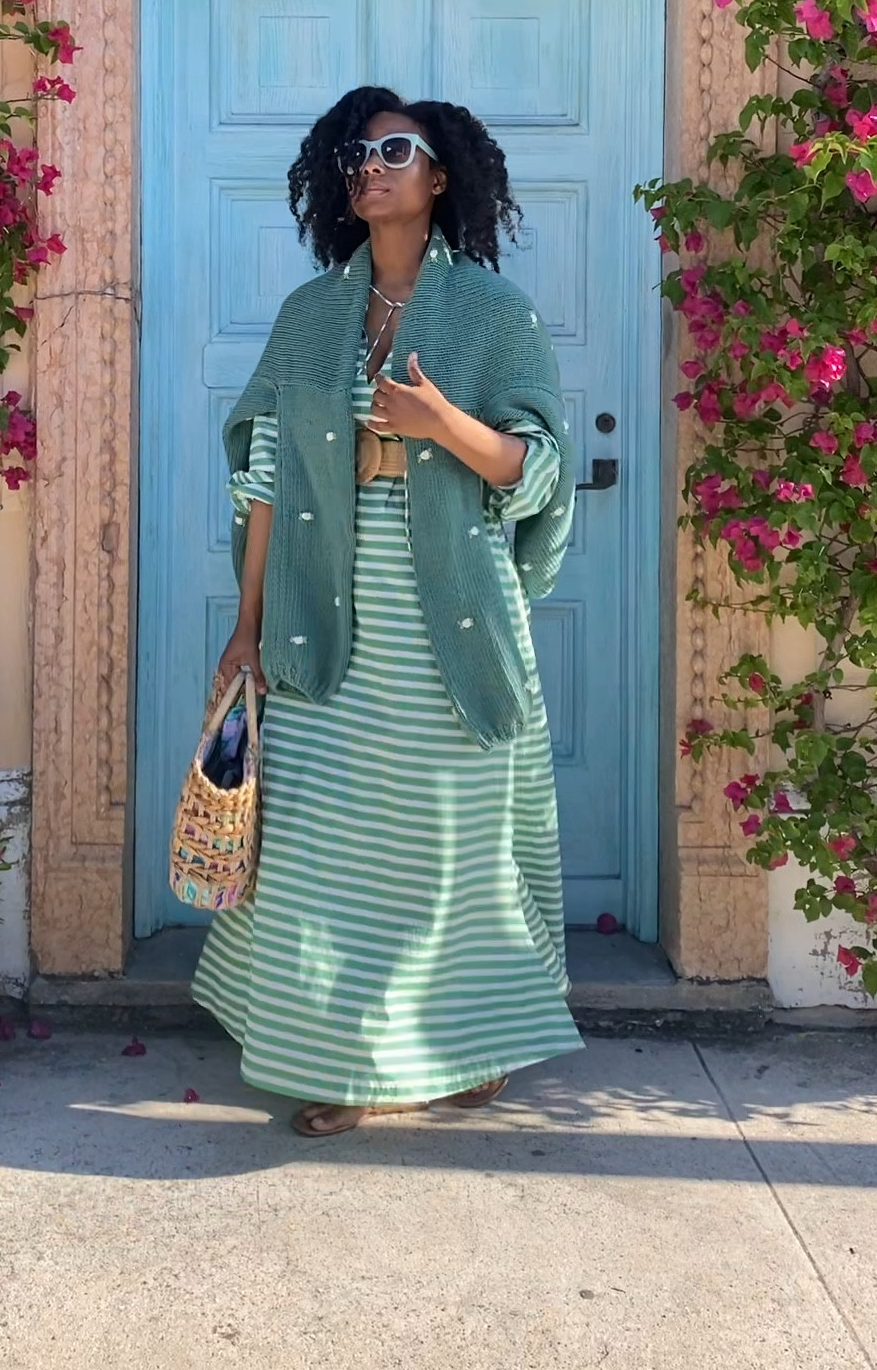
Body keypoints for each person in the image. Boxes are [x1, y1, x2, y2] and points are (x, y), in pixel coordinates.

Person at [191, 85, 583, 1136]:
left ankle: (469, 1048)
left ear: (440, 175)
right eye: (355, 158)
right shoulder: (312, 316)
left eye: (395, 152)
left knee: (451, 849)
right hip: (326, 605)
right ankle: (341, 1064)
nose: (371, 169)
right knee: (324, 845)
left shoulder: (496, 318)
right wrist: (248, 622)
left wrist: (441, 422)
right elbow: (265, 472)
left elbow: (539, 471)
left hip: (449, 615)